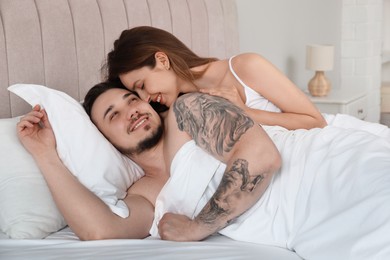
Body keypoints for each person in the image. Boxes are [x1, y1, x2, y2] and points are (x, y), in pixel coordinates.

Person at [17, 81, 281, 241]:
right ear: (105, 141)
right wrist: (45, 155)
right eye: (113, 115)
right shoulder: (145, 194)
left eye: (131, 100)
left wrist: (198, 227)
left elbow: (262, 156)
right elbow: (97, 230)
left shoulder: (186, 112)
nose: (131, 111)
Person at [103, 26, 327, 130]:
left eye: (141, 85)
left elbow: (315, 121)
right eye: (137, 93)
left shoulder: (245, 67)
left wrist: (247, 113)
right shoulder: (178, 110)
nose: (145, 98)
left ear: (162, 60)